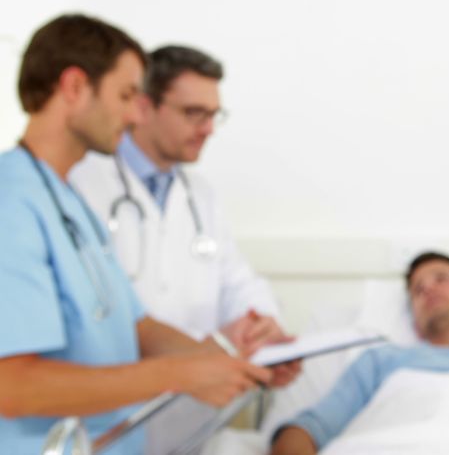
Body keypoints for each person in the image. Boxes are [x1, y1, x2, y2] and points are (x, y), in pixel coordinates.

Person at [0, 14, 275, 454]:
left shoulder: (67, 200)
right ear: (73, 88)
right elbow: (12, 387)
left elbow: (137, 326)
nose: (134, 114)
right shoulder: (10, 202)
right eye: (126, 95)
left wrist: (225, 360)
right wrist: (182, 375)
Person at [67, 43, 298, 453]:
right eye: (194, 113)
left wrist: (263, 327)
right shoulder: (83, 184)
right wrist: (213, 352)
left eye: (214, 115)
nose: (208, 127)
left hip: (190, 418)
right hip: (109, 420)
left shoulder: (200, 196)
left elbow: (238, 282)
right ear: (144, 106)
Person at [270, 252, 449, 455]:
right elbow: (306, 430)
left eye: (441, 279)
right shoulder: (382, 360)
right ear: (416, 324)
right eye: (418, 290)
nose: (428, 289)